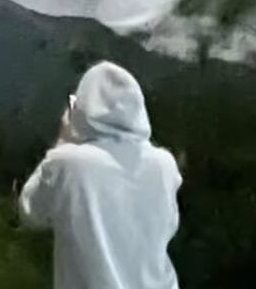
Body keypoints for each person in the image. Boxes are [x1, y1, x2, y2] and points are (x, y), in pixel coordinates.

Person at [18, 61, 182, 289]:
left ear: (83, 110)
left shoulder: (66, 162)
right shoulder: (164, 164)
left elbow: (31, 213)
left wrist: (63, 141)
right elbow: (169, 226)